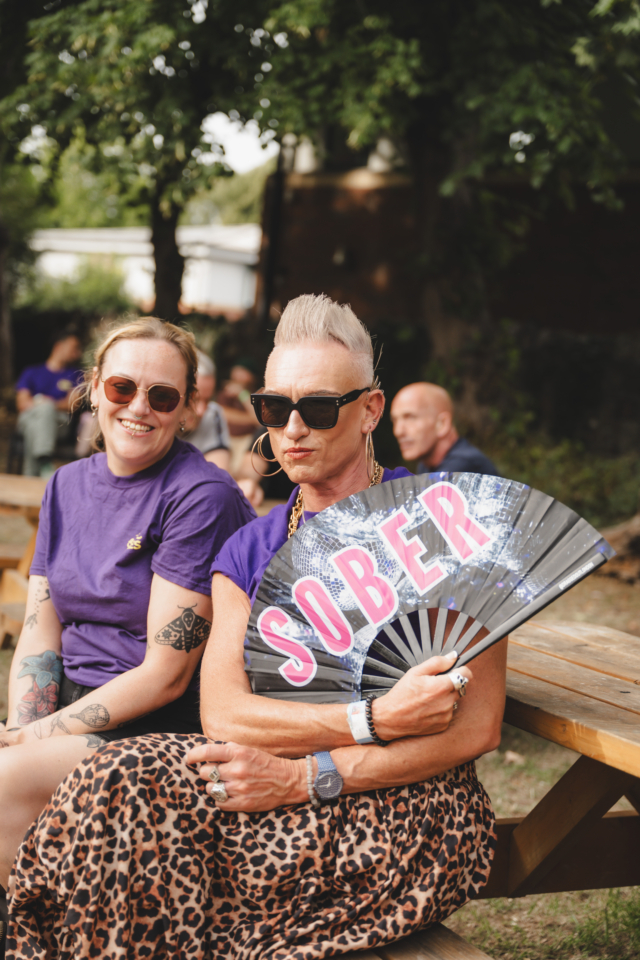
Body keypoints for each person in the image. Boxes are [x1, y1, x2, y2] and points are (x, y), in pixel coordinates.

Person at [6, 296, 505, 960]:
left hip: (401, 807)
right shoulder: (252, 547)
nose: (292, 429)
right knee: (115, 783)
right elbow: (224, 714)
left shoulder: (446, 523)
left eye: (319, 408)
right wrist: (374, 715)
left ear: (370, 411)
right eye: (275, 409)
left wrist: (308, 775)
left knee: (117, 814)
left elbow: (477, 728)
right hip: (265, 785)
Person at [0, 317, 255, 945]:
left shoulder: (201, 497)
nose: (139, 407)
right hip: (70, 721)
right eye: (121, 387)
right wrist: (19, 728)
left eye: (162, 396)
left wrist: (33, 739)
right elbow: (39, 631)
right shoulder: (65, 485)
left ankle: (38, 940)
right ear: (92, 390)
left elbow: (166, 677)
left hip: (158, 733)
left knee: (2, 786)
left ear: (190, 409)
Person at [391, 382, 500, 476]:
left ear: (442, 424)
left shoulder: (464, 466)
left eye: (410, 418)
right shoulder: (426, 465)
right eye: (394, 421)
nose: (398, 431)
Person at [15, 330, 83, 477]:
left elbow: (72, 404)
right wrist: (43, 404)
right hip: (29, 417)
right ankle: (44, 461)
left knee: (37, 422)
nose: (77, 353)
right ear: (59, 346)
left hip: (59, 423)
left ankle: (30, 475)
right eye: (74, 347)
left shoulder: (75, 374)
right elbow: (22, 404)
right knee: (39, 417)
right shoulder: (31, 372)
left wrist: (47, 403)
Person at [183, 350, 231, 471]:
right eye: (194, 399)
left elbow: (219, 474)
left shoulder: (213, 413)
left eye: (208, 400)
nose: (201, 411)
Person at [217, 357, 260, 475]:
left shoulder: (258, 395)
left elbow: (260, 421)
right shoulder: (226, 393)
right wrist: (251, 419)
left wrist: (242, 394)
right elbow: (222, 413)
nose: (239, 376)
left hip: (247, 442)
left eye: (243, 372)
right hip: (227, 439)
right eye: (237, 371)